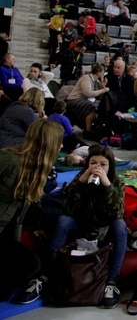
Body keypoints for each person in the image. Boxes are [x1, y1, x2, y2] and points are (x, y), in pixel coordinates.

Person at [49, 144, 126, 308]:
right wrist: (80, 183)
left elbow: (117, 213)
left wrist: (107, 186)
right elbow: (68, 208)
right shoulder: (81, 178)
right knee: (63, 220)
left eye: (103, 164)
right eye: (93, 163)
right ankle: (49, 274)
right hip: (82, 226)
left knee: (120, 225)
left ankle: (112, 281)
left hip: (104, 230)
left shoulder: (117, 182)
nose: (97, 167)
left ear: (110, 166)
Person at [0, 120, 64, 304]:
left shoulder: (38, 171)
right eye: (59, 141)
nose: (62, 145)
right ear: (49, 144)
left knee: (28, 268)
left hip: (5, 229)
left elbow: (32, 205)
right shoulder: (8, 160)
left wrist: (36, 224)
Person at [65, 63, 109, 137]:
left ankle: (95, 127)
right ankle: (88, 131)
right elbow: (88, 93)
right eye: (102, 71)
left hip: (85, 99)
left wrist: (102, 87)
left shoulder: (97, 81)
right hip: (74, 99)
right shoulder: (86, 78)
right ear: (98, 72)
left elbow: (98, 96)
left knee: (100, 105)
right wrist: (103, 90)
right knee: (91, 107)